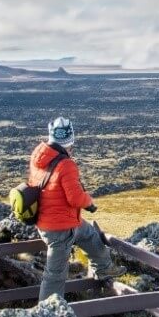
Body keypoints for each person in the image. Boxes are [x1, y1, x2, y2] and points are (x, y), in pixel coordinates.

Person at [30, 116, 125, 300]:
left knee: (88, 233)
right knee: (55, 275)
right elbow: (75, 198)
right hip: (59, 228)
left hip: (49, 221)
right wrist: (89, 203)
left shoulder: (38, 156)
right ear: (70, 141)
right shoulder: (66, 165)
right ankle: (46, 313)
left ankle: (104, 268)